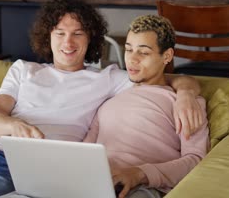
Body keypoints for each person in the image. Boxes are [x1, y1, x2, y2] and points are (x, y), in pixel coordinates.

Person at [0, 0, 204, 198]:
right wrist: (15, 127)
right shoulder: (23, 70)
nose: (68, 42)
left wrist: (188, 92)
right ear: (47, 36)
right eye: (59, 33)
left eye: (78, 33)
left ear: (91, 39)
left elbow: (154, 77)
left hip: (17, 169)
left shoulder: (109, 79)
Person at [83, 14, 210, 198]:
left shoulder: (185, 103)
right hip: (95, 183)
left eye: (143, 52)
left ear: (167, 56)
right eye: (128, 50)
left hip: (139, 187)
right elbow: (86, 151)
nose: (132, 59)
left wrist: (139, 174)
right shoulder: (109, 100)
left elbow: (196, 161)